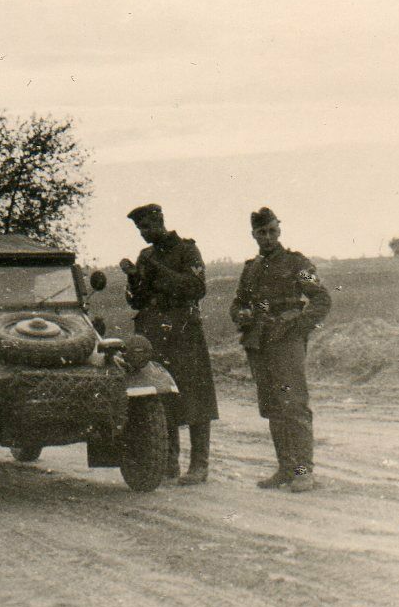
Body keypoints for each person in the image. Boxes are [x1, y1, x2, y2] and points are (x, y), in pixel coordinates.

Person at [229, 207, 331, 493]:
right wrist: (241, 315)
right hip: (258, 342)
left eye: (273, 230)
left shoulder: (296, 263)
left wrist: (298, 327)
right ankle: (286, 468)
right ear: (253, 235)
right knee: (272, 406)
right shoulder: (250, 269)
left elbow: (321, 299)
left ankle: (302, 471)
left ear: (279, 230)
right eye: (262, 232)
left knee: (294, 405)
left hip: (286, 342)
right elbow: (237, 303)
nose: (268, 237)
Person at [120, 204, 218, 485]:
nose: (143, 234)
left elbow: (197, 288)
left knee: (196, 397)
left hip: (183, 331)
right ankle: (168, 462)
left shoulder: (187, 250)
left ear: (160, 221)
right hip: (154, 332)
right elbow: (136, 300)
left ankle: (199, 466)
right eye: (139, 229)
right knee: (162, 396)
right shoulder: (145, 255)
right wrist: (133, 277)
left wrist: (157, 270)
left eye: (147, 227)